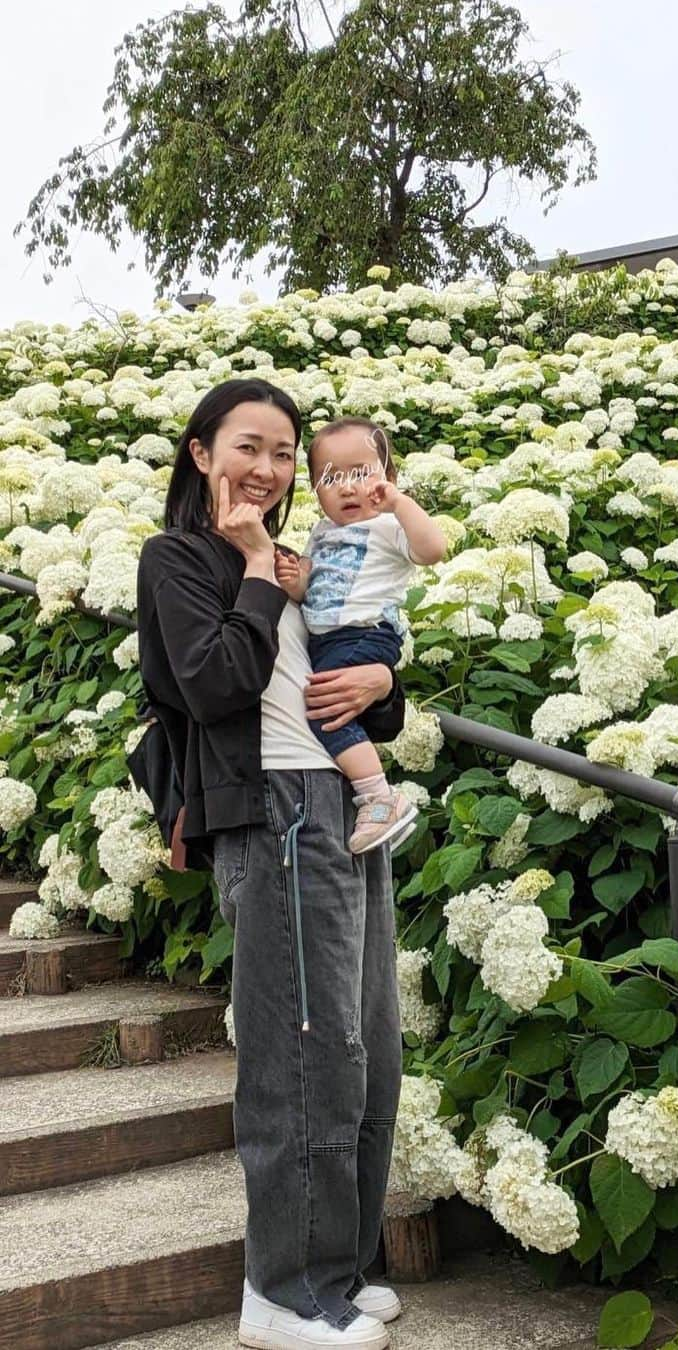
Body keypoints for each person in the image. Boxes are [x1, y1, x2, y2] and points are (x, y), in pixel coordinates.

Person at [135, 379, 407, 1350]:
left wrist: (386, 679)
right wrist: (253, 564)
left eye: (285, 452)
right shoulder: (180, 560)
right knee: (303, 1055)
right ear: (202, 452)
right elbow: (213, 684)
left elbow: (353, 690)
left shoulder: (303, 563)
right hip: (277, 818)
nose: (269, 468)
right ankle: (281, 1293)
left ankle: (341, 1268)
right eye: (249, 446)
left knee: (367, 1050)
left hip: (346, 807)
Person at [273, 417, 446, 855]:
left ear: (388, 478)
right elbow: (310, 591)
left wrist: (400, 504)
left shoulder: (389, 527)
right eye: (331, 478)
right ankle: (375, 795)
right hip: (329, 639)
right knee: (330, 707)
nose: (347, 487)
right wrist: (295, 581)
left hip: (368, 634)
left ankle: (378, 796)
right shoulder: (321, 532)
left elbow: (433, 550)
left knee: (323, 710)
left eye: (361, 473)